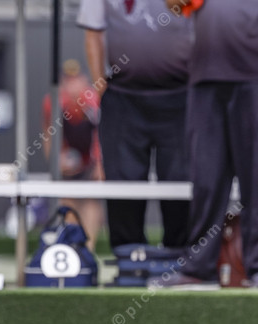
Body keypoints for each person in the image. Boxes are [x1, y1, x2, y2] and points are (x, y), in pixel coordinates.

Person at [151, 0, 258, 287]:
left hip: (253, 77)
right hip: (206, 76)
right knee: (206, 179)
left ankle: (256, 267)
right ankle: (200, 268)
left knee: (255, 179)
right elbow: (175, 5)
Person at [76, 0, 192, 252]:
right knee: (123, 183)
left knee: (181, 180)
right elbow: (93, 32)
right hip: (123, 94)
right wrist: (100, 86)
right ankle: (129, 257)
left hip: (181, 94)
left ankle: (179, 257)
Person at [42, 59, 104, 251]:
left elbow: (101, 134)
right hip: (69, 160)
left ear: (84, 80)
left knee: (92, 200)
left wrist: (100, 164)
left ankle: (89, 249)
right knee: (68, 200)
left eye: (76, 80)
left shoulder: (93, 100)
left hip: (90, 160)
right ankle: (72, 246)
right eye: (68, 81)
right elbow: (48, 134)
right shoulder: (53, 102)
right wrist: (56, 160)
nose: (72, 86)